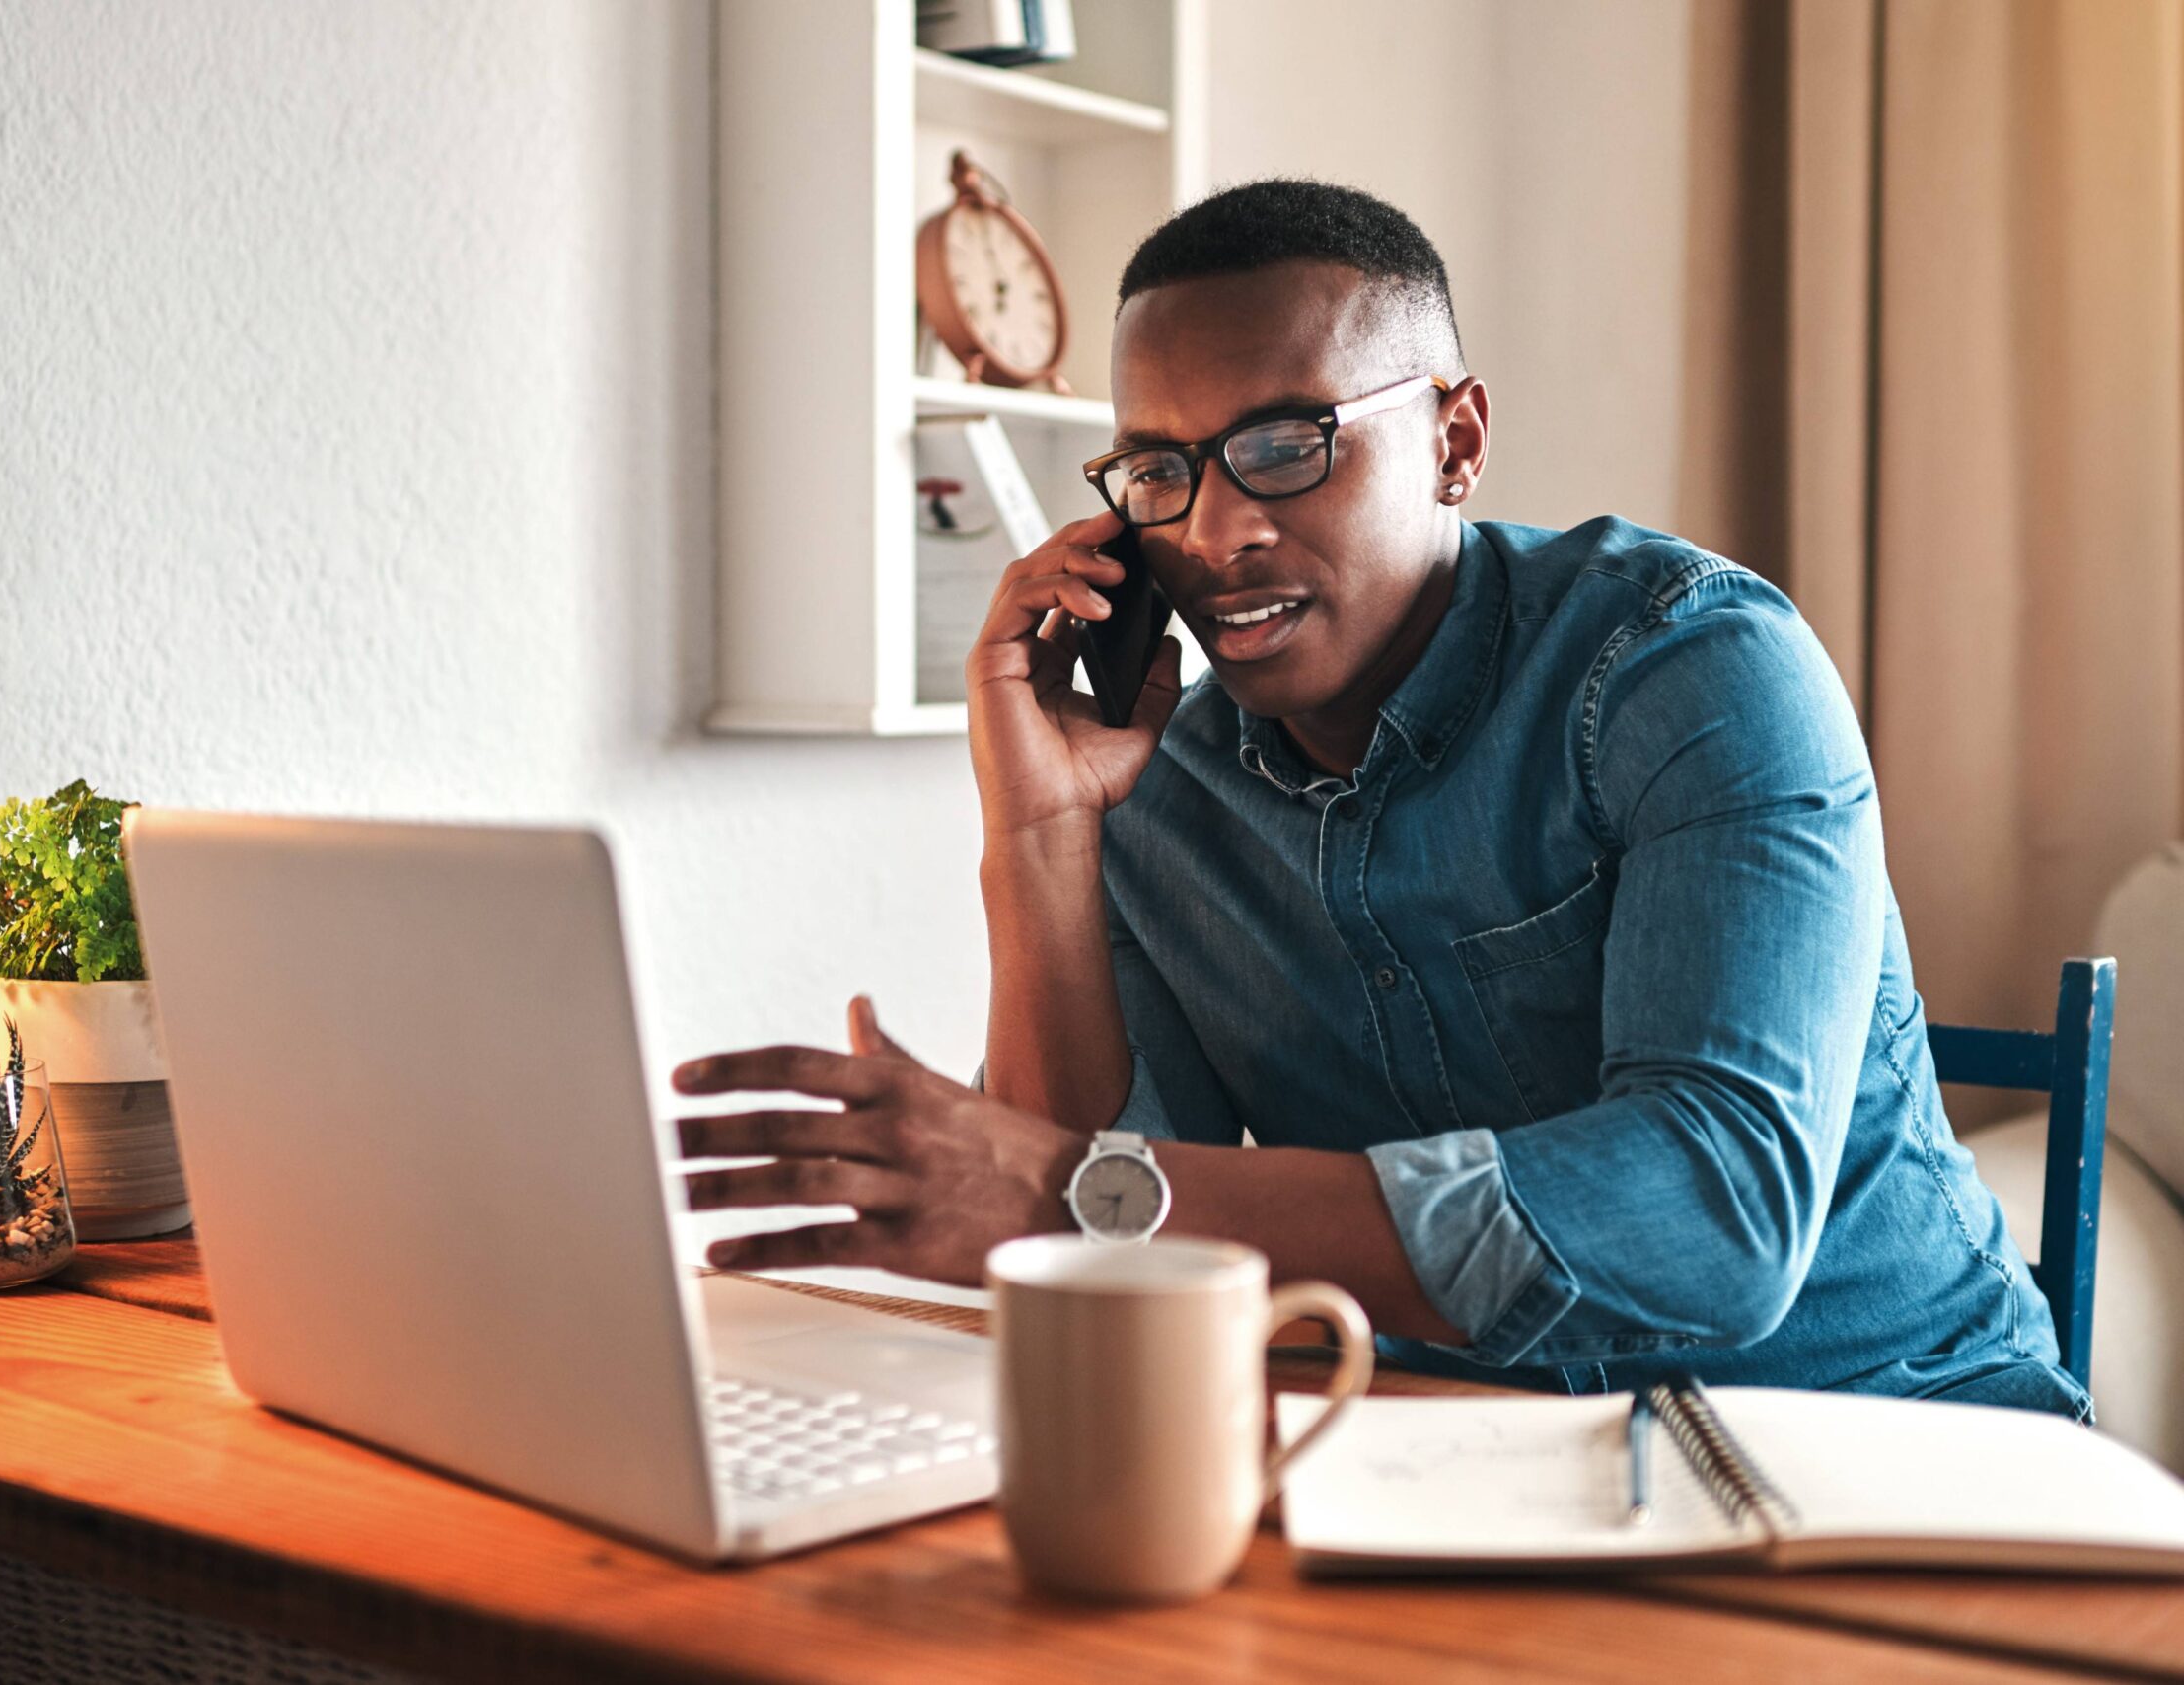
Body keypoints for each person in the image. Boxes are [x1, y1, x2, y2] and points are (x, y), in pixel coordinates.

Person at [675, 178, 2086, 1413]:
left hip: (1881, 1436)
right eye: (1159, 471)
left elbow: (1714, 1215)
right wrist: (1037, 841)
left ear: (1457, 442)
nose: (1218, 530)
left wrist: (1067, 1196)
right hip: (1445, 1458)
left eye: (1289, 444)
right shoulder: (1157, 786)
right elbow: (1068, 1268)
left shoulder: (1692, 668)